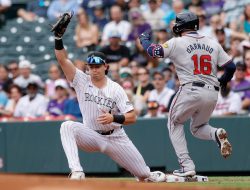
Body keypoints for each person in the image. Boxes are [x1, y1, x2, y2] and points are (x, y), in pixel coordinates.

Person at [52, 14, 165, 182]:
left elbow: (132, 117)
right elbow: (62, 59)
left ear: (106, 67)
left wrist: (114, 117)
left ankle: (148, 174)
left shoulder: (115, 88)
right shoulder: (81, 80)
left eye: (97, 66)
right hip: (90, 134)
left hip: (115, 137)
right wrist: (58, 38)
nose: (94, 70)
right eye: (91, 67)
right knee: (67, 126)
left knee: (143, 175)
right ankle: (76, 172)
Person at [139, 11, 235, 177]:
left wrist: (144, 40)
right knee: (197, 128)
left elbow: (155, 52)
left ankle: (186, 165)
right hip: (212, 92)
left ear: (181, 25)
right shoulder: (212, 42)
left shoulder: (178, 42)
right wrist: (223, 80)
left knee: (174, 123)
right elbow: (231, 67)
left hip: (191, 89)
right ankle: (216, 133)